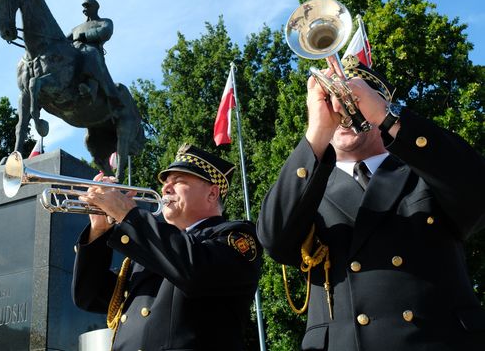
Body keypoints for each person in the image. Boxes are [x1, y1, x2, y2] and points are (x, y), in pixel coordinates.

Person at [257, 62, 485, 351]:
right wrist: (317, 134)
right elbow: (274, 240)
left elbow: (477, 192)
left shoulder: (425, 169)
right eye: (330, 102)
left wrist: (388, 118)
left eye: (354, 100)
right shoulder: (308, 186)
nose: (341, 108)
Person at [72, 143, 263, 351]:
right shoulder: (152, 248)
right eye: (165, 182)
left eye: (178, 181)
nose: (165, 188)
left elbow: (194, 270)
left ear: (212, 193)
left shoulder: (236, 236)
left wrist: (129, 216)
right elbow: (89, 297)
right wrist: (98, 232)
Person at [67, 0, 121, 106]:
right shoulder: (76, 28)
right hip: (75, 50)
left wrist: (85, 36)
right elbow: (63, 40)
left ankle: (91, 90)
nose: (84, 9)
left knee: (90, 54)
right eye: (83, 7)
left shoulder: (105, 21)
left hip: (92, 50)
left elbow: (106, 32)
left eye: (87, 6)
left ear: (95, 7)